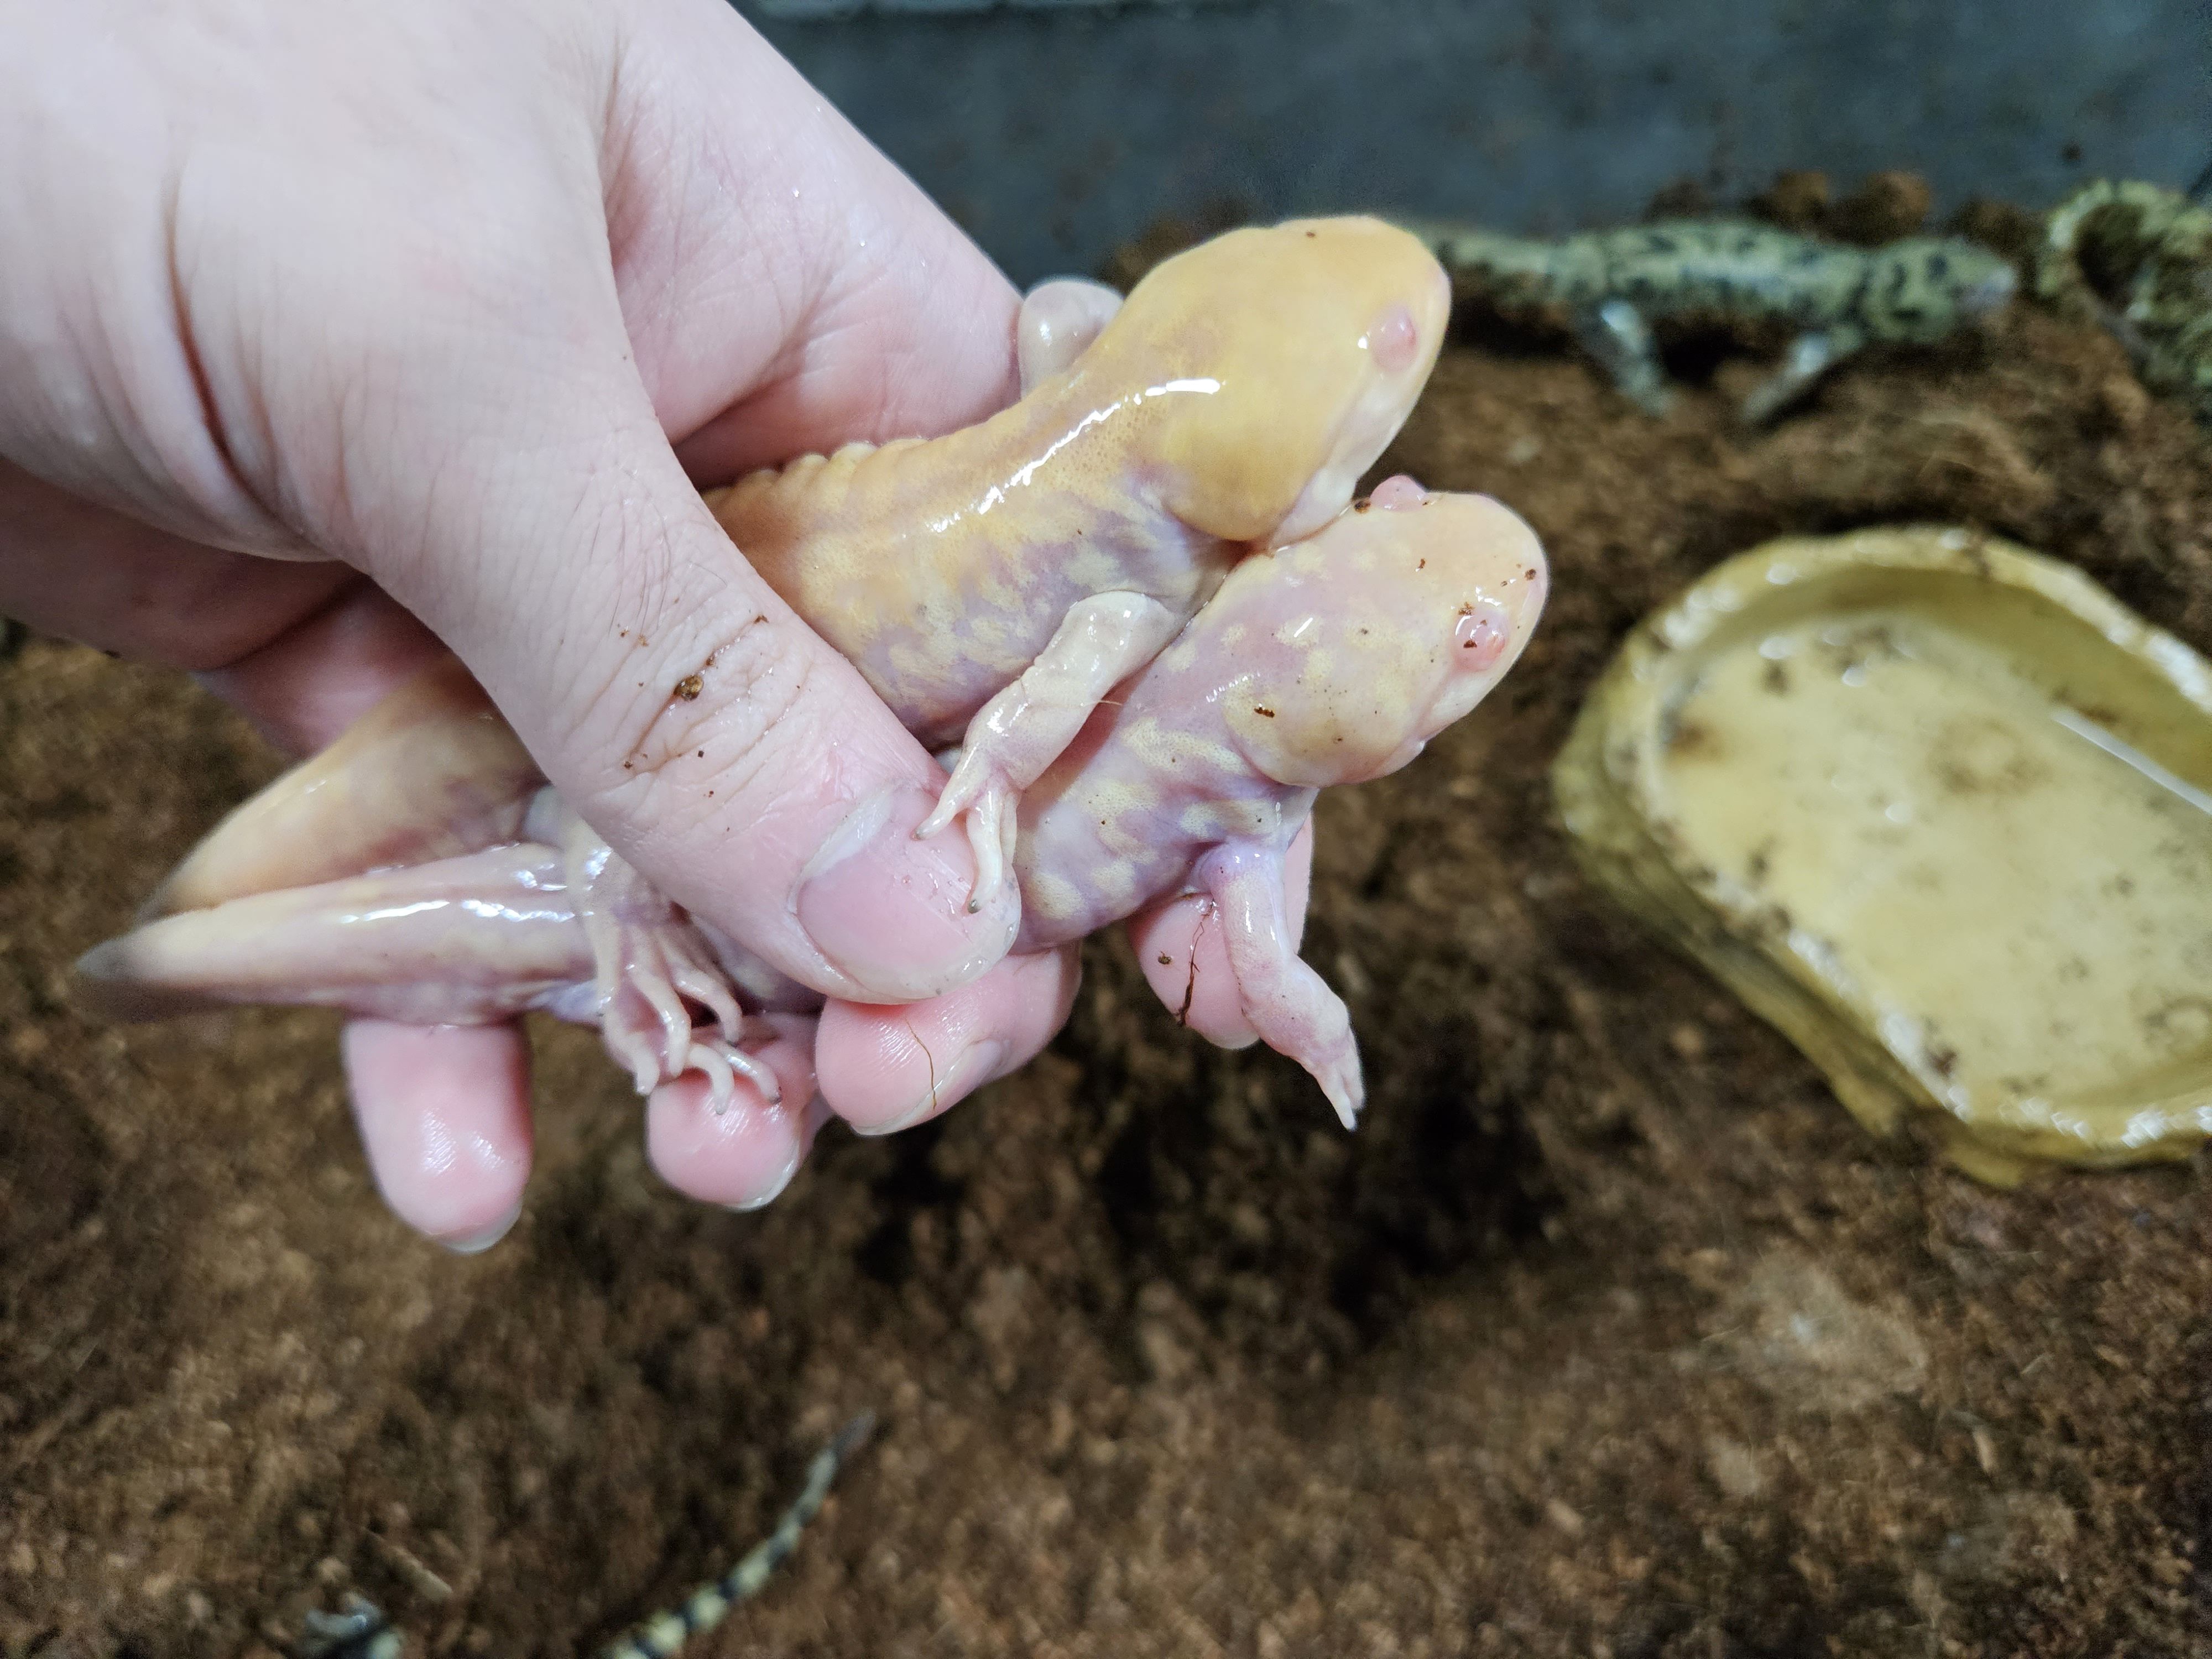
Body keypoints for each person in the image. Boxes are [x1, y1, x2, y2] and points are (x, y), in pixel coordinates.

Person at [1, 0, 1310, 1250]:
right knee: (660, 859)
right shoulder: (1140, 600)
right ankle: (203, 935)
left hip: (689, 589)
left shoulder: (1107, 465)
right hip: (636, 675)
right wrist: (690, 751)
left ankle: (198, 939)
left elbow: (1057, 323)